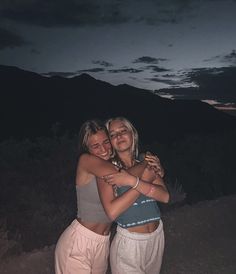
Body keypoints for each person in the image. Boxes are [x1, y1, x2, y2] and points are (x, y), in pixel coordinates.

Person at [54, 119, 162, 274]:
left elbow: (131, 180)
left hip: (103, 242)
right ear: (87, 148)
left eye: (106, 142)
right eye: (95, 146)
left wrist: (158, 170)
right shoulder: (87, 160)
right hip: (79, 242)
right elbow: (122, 177)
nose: (103, 149)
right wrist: (146, 162)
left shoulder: (116, 164)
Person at [97, 117, 169, 274]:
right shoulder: (107, 169)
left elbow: (164, 196)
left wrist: (135, 181)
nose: (118, 136)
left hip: (156, 237)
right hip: (129, 244)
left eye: (123, 131)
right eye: (113, 134)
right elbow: (112, 212)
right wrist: (143, 181)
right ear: (110, 141)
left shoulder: (145, 160)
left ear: (133, 134)